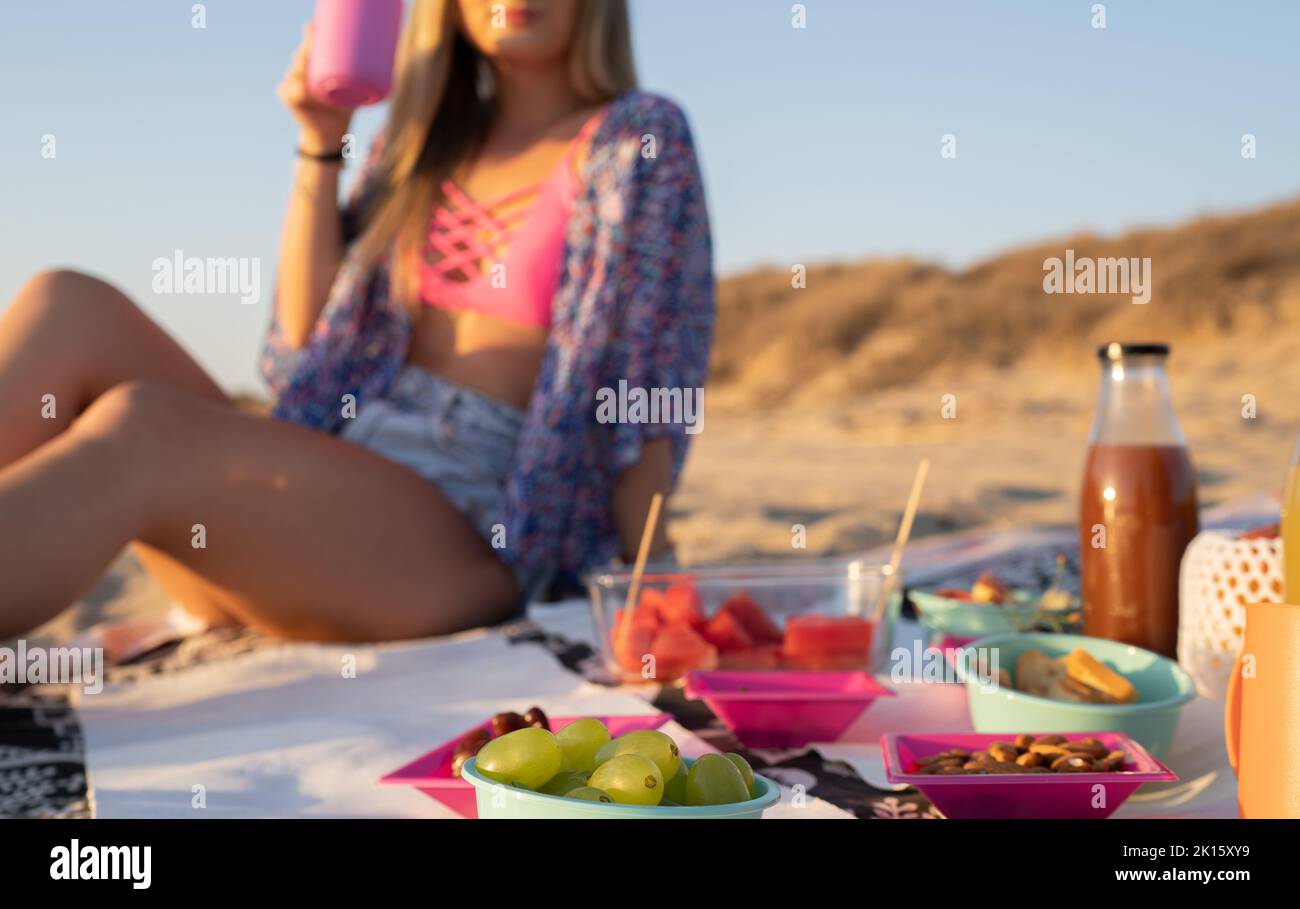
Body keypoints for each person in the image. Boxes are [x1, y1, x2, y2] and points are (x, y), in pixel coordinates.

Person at [0, 0, 713, 642]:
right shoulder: (415, 151)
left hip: (463, 535)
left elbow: (643, 381)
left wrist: (649, 573)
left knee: (141, 427)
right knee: (68, 303)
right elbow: (299, 355)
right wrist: (321, 140)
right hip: (314, 498)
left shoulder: (636, 138)